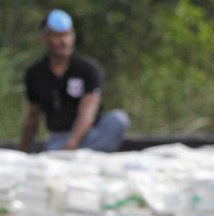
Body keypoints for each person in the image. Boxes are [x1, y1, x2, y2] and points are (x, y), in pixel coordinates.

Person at [18, 8, 130, 153]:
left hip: (89, 134)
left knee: (118, 119)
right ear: (43, 39)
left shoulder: (87, 69)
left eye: (68, 34)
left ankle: (88, 153)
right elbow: (33, 116)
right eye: (57, 36)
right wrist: (21, 150)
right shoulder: (35, 73)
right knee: (54, 149)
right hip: (59, 138)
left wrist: (71, 145)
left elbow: (88, 111)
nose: (64, 41)